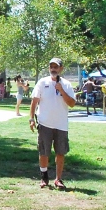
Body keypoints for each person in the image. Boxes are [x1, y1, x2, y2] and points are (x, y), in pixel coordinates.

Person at [29, 58, 77, 189]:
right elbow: (34, 101)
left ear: (61, 68)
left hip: (61, 124)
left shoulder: (66, 84)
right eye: (51, 66)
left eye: (56, 66)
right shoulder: (42, 82)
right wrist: (31, 119)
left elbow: (72, 104)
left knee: (60, 152)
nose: (53, 69)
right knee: (44, 152)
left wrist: (61, 90)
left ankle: (58, 179)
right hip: (45, 123)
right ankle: (44, 177)